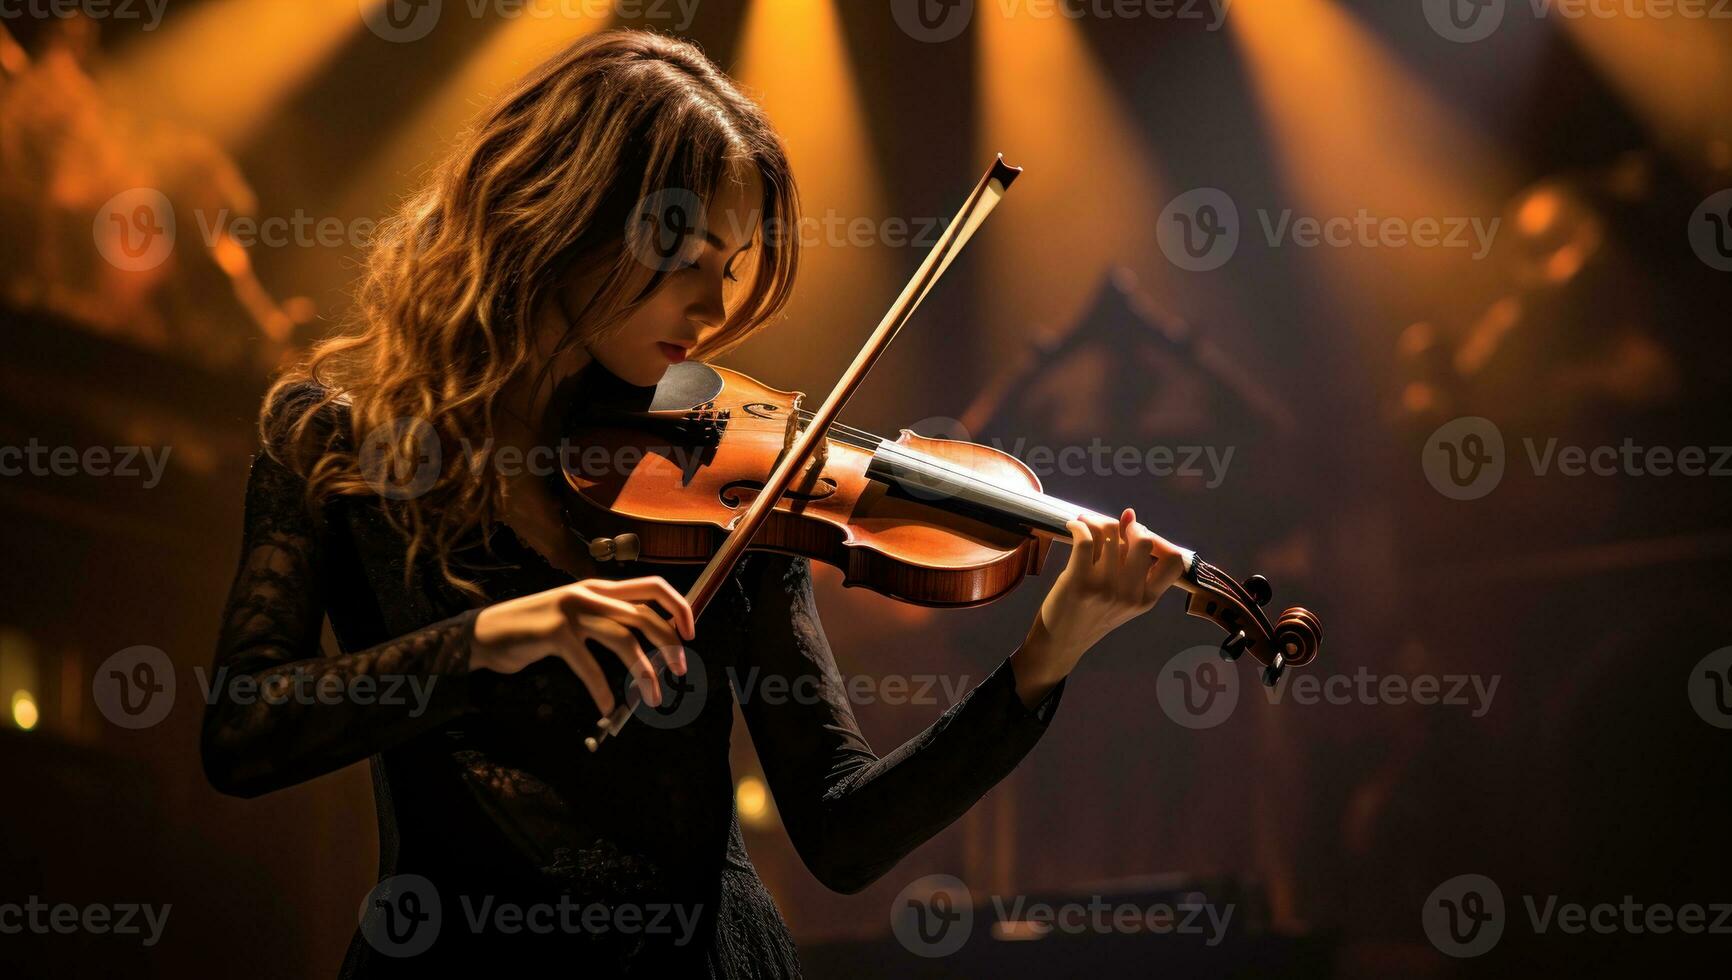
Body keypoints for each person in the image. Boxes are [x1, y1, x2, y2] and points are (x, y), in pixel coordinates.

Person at [201, 29, 1181, 977]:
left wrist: (1045, 656)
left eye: (734, 265)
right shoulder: (335, 447)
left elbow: (842, 829)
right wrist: (490, 637)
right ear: (566, 208)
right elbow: (243, 732)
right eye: (688, 253)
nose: (715, 308)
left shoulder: (729, 484)